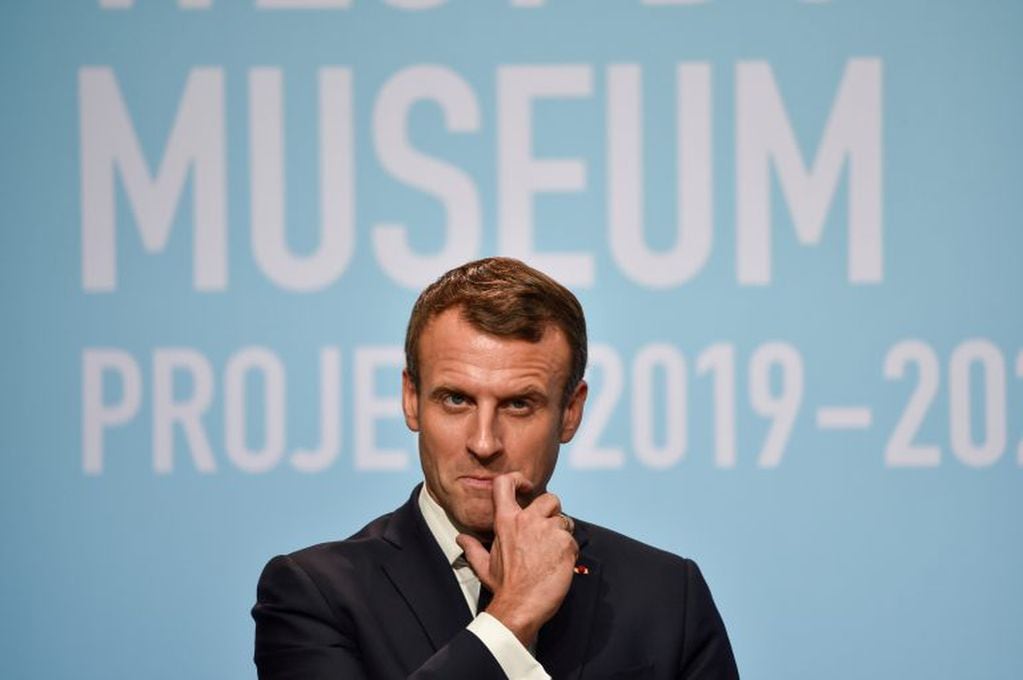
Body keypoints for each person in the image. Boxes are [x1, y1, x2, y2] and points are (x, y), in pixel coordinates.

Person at [252, 257, 739, 679]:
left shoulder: (665, 597)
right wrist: (510, 620)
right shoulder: (315, 595)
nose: (484, 442)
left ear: (570, 412)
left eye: (520, 404)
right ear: (411, 399)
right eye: (457, 399)